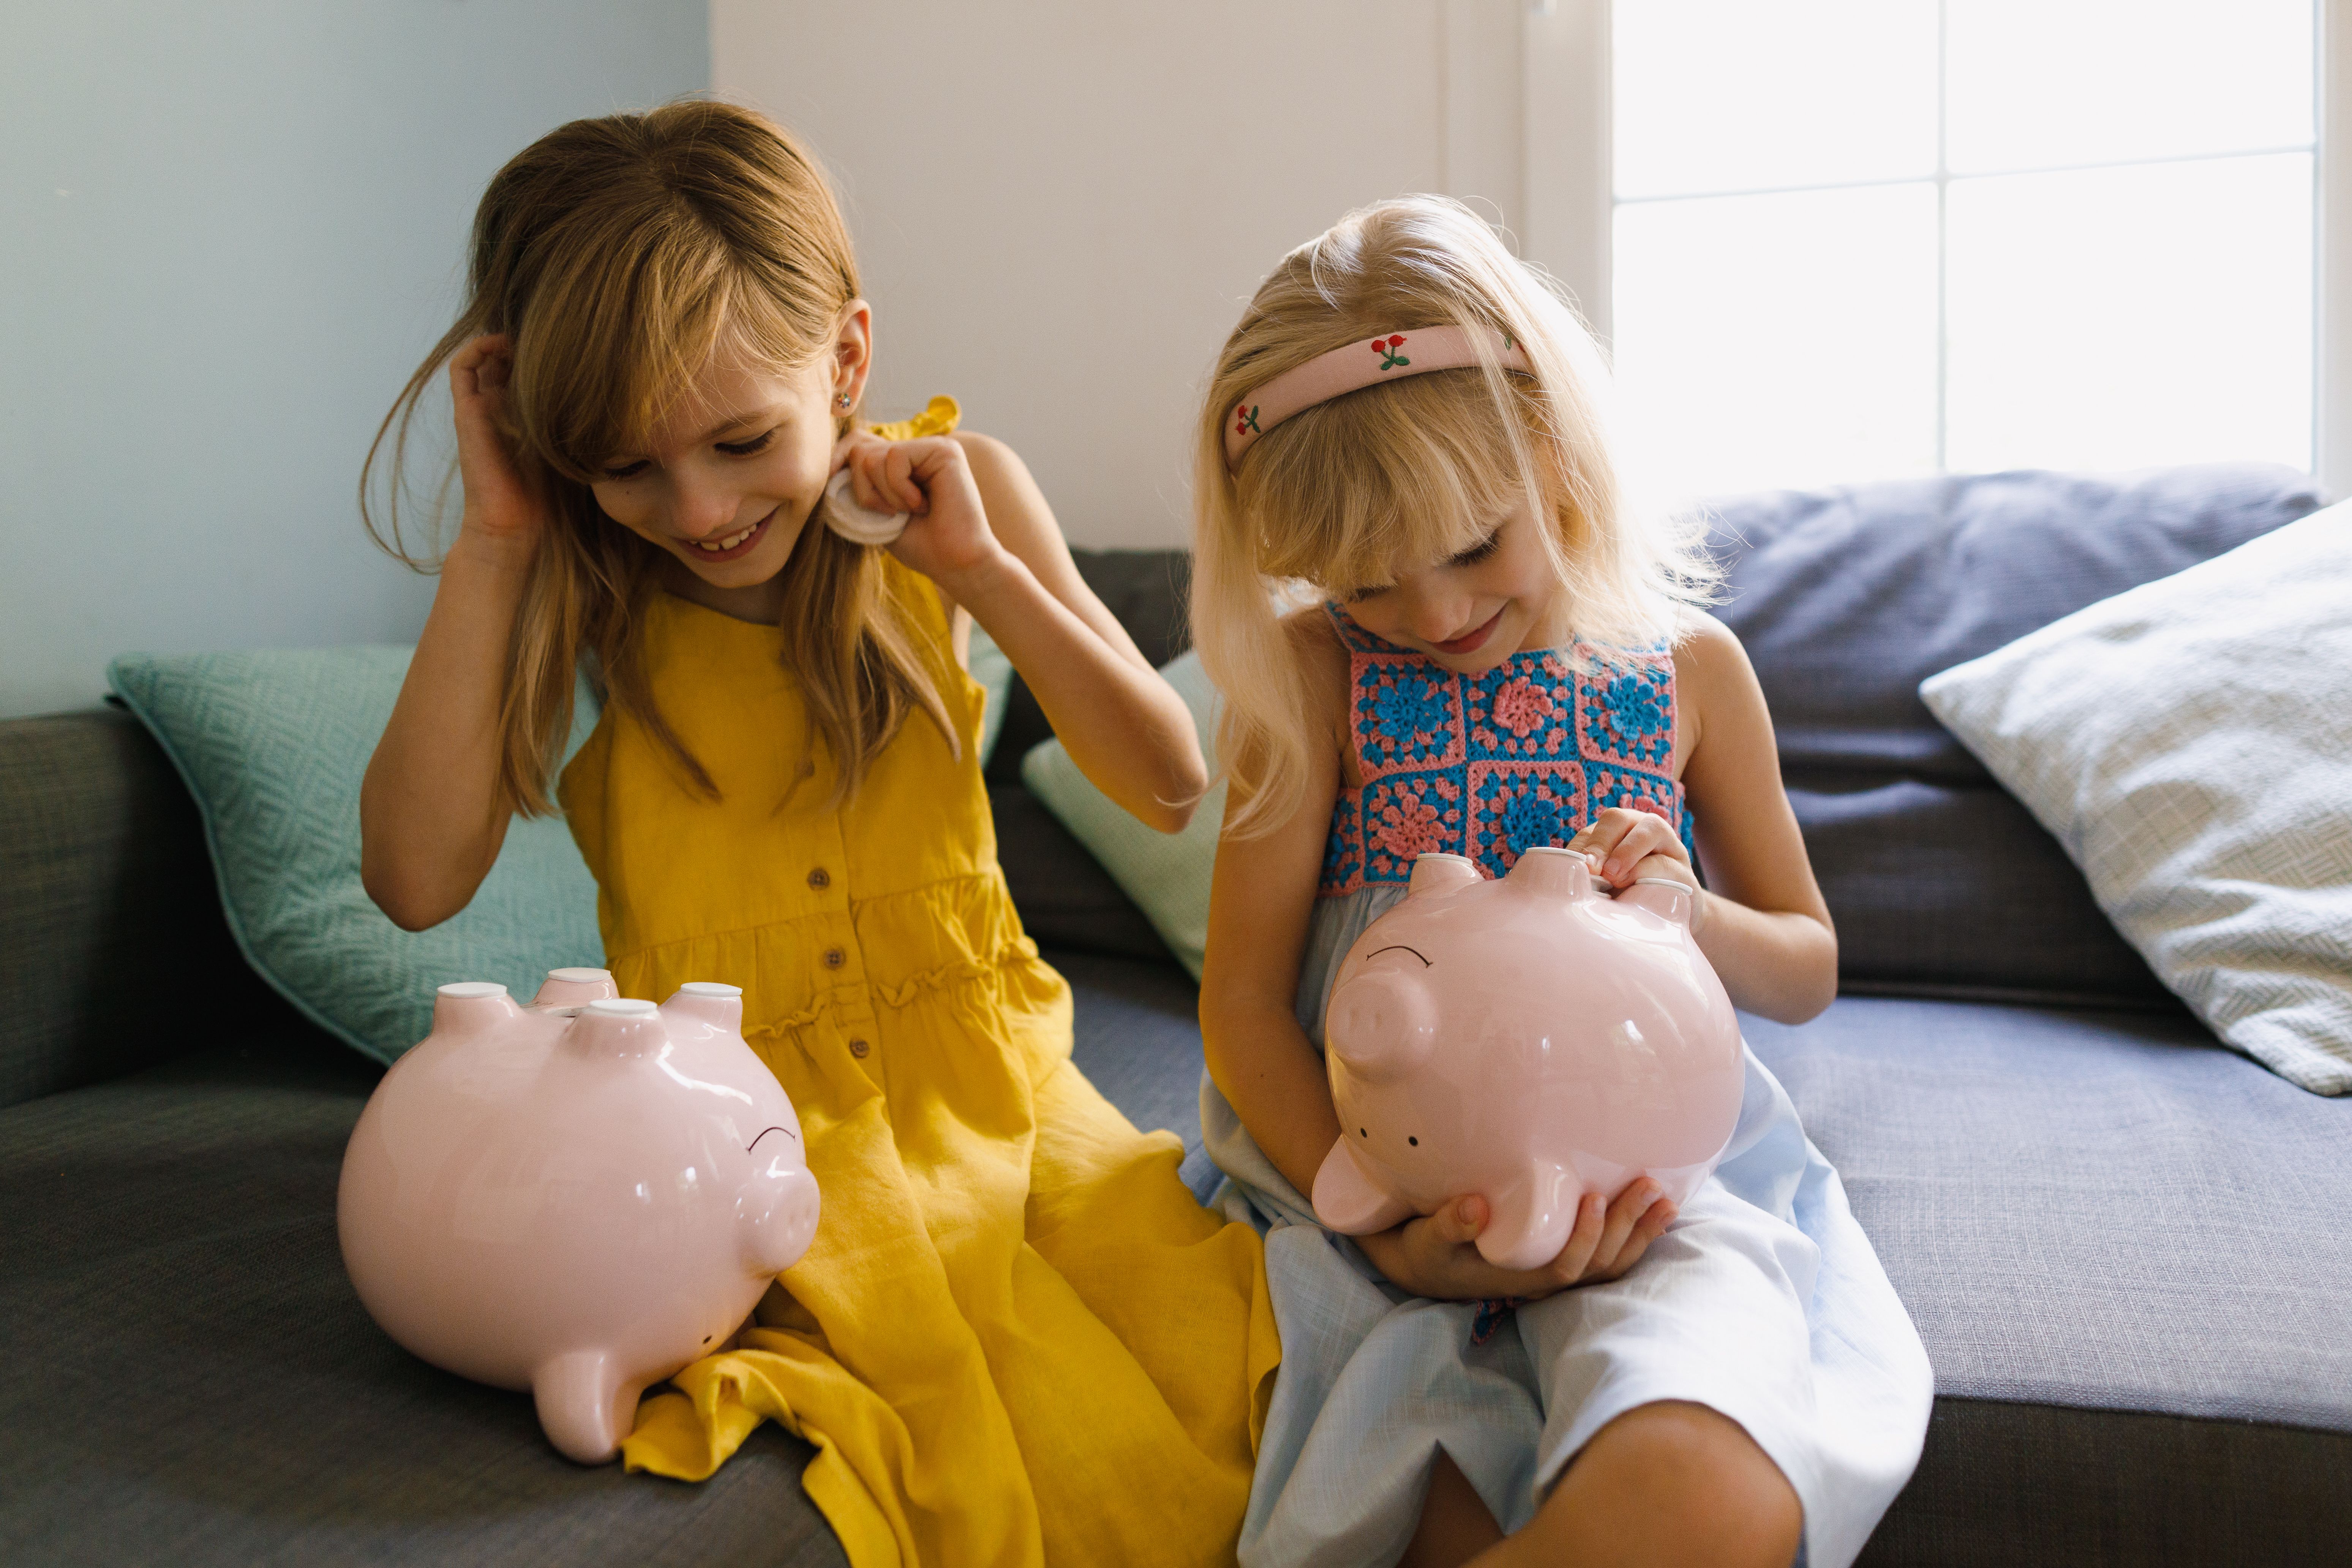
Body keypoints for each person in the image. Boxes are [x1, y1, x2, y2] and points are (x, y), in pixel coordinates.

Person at [359, 101, 1277, 1568]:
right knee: (969, 1435)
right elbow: (411, 883)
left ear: (845, 360)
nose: (699, 507)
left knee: (1216, 1349)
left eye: (739, 440)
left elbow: (1169, 782)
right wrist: (501, 537)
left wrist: (984, 573)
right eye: (628, 464)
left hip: (998, 1071)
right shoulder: (575, 583)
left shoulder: (959, 501)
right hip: (728, 1116)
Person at [1188, 195, 1932, 1568]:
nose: (1432, 617)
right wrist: (1389, 1230)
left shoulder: (1687, 670)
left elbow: (1808, 965)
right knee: (1409, 1493)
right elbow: (1240, 1002)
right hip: (1378, 1206)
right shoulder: (1308, 680)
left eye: (1474, 547)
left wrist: (1693, 916)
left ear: (1557, 457)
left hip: (1656, 1192)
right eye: (1364, 584)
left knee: (1712, 1496)